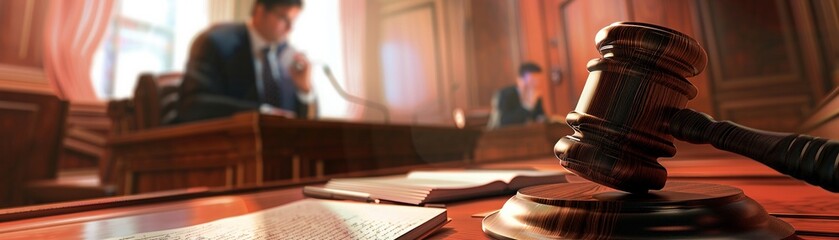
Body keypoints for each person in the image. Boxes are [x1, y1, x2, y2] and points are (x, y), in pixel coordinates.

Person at [176, 0, 315, 123]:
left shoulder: (286, 54)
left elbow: (298, 119)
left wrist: (304, 90)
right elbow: (193, 105)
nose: (290, 28)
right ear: (260, 11)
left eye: (294, 20)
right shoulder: (216, 42)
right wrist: (260, 114)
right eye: (283, 18)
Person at [487, 62, 546, 129]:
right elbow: (505, 121)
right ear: (520, 79)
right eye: (533, 80)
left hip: (528, 133)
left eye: (538, 80)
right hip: (504, 134)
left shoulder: (535, 95)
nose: (536, 84)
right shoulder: (505, 94)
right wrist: (529, 105)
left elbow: (539, 116)